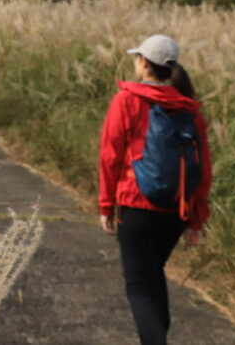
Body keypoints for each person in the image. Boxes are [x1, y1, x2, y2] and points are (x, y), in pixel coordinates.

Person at [98, 34, 213, 345]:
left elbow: (110, 156)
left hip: (136, 205)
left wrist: (106, 206)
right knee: (151, 278)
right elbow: (203, 169)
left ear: (144, 63)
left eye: (137, 58)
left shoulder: (127, 100)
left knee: (139, 287)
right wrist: (196, 219)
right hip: (175, 211)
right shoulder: (189, 109)